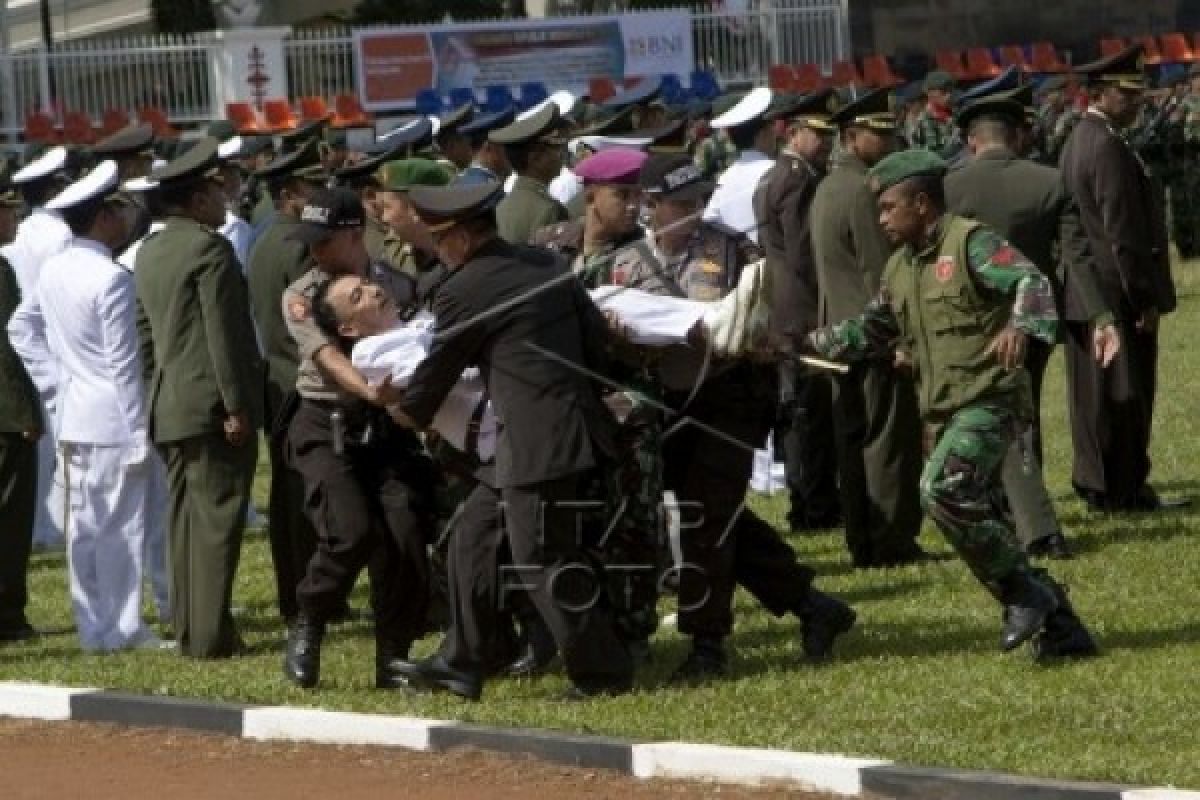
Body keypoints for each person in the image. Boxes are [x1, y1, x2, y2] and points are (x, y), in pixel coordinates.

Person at [805, 149, 1096, 661]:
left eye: (889, 208)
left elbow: (1031, 280)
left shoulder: (971, 244)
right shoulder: (899, 267)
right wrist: (806, 344)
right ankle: (1061, 628)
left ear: (921, 204)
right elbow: (872, 328)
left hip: (991, 400)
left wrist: (1019, 326)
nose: (881, 219)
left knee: (942, 489)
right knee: (984, 520)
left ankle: (1025, 595)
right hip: (944, 411)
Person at [391, 181, 635, 702]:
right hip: (557, 433)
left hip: (537, 445)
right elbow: (595, 343)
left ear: (457, 237)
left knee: (542, 560)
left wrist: (408, 412)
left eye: (439, 241)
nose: (438, 252)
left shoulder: (465, 288)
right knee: (472, 537)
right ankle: (461, 663)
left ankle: (603, 672)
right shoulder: (545, 263)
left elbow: (439, 368)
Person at [633, 154, 855, 683]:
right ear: (651, 206)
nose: (691, 212)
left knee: (708, 519)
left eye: (696, 202)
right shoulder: (626, 264)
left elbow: (772, 317)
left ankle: (707, 644)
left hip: (729, 400)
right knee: (720, 513)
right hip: (664, 404)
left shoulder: (734, 251)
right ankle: (812, 605)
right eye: (678, 204)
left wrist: (758, 340)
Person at [946, 95, 1121, 559]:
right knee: (1024, 415)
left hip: (970, 323)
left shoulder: (950, 186)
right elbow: (1077, 257)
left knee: (979, 417)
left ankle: (1005, 515)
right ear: (1017, 134)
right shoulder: (1048, 183)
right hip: (1033, 320)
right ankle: (1031, 519)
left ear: (970, 139)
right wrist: (1102, 316)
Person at [280, 188, 435, 690]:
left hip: (390, 426)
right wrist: (371, 392)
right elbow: (326, 356)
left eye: (322, 241)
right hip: (327, 422)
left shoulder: (396, 283)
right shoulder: (302, 293)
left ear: (352, 236)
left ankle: (394, 655)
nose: (314, 252)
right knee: (349, 531)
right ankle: (311, 618)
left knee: (405, 533)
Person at [134, 138, 265, 658]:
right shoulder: (208, 249)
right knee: (217, 520)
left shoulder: (150, 249)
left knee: (185, 520)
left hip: (169, 401)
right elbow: (225, 334)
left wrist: (154, 395)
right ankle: (210, 636)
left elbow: (144, 337)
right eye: (214, 192)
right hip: (211, 404)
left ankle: (192, 626)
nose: (223, 200)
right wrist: (235, 405)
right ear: (193, 201)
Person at [38, 161, 162, 652]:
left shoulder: (54, 268)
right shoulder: (111, 277)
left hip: (74, 413)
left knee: (85, 530)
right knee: (124, 528)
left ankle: (94, 628)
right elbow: (124, 367)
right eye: (116, 211)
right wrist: (137, 436)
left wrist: (56, 377)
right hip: (111, 417)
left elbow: (22, 329)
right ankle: (124, 628)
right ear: (103, 217)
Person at [1059, 45, 1182, 512]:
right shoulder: (1106, 145)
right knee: (1125, 395)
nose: (1137, 102)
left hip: (1088, 289)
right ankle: (1124, 489)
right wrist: (1144, 297)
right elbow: (1122, 235)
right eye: (1126, 94)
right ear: (1100, 94)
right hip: (1116, 290)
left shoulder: (1080, 139)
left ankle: (1099, 483)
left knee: (1095, 397)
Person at [809, 88, 926, 568]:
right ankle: (890, 542)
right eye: (880, 133)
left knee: (854, 443)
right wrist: (898, 338)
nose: (891, 140)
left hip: (838, 332)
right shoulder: (864, 190)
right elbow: (883, 272)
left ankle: (864, 540)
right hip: (870, 337)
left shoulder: (829, 185)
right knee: (886, 444)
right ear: (853, 137)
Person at [246, 138, 328, 624]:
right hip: (297, 381)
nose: (321, 192)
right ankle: (308, 597)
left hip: (277, 380)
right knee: (303, 499)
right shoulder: (297, 243)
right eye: (313, 186)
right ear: (292, 193)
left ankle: (295, 594)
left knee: (288, 497)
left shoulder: (265, 237)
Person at [756, 90, 842, 532]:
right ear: (793, 133)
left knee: (800, 413)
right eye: (818, 134)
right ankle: (815, 506)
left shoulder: (778, 174)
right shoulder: (798, 178)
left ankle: (809, 502)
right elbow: (806, 252)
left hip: (784, 306)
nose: (825, 143)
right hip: (802, 308)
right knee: (809, 415)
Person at [5, 146, 78, 554]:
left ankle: (38, 527)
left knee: (37, 446)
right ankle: (47, 529)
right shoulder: (59, 235)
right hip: (50, 342)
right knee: (54, 446)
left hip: (22, 340)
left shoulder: (26, 230)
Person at [0, 165, 43, 644]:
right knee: (10, 520)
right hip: (4, 418)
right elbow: (5, 349)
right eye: (7, 210)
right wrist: (24, 414)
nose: (14, 219)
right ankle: (8, 615)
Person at [702, 87, 778, 244]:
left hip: (737, 260)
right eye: (772, 130)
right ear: (763, 134)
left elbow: (709, 220)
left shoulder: (725, 177)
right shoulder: (777, 171)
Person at [490, 103, 569, 244]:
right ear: (536, 159)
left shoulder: (501, 206)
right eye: (556, 148)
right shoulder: (548, 210)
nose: (561, 155)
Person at [454, 108, 516, 187]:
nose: (514, 152)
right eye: (508, 146)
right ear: (490, 148)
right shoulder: (487, 189)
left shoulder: (461, 182)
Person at [911, 71, 960, 158]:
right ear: (929, 93)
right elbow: (934, 157)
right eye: (943, 92)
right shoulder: (925, 120)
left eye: (950, 91)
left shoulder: (953, 111)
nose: (948, 96)